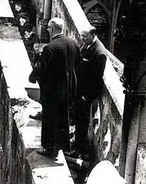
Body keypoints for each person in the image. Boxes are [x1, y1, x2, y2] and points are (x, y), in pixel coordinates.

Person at [34, 17, 78, 158]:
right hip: (69, 89)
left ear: (52, 29)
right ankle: (64, 147)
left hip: (54, 90)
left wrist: (33, 77)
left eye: (48, 28)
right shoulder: (73, 43)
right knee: (64, 118)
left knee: (49, 118)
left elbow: (43, 69)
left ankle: (49, 148)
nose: (47, 30)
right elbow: (78, 65)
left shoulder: (50, 47)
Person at [73, 25, 109, 157]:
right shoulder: (88, 45)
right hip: (79, 90)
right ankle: (77, 143)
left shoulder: (99, 53)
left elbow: (96, 78)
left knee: (82, 121)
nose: (82, 38)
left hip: (85, 94)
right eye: (81, 35)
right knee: (78, 118)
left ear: (93, 35)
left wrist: (87, 96)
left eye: (85, 36)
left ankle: (80, 149)